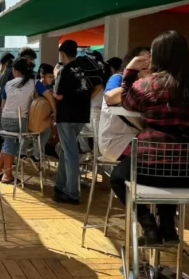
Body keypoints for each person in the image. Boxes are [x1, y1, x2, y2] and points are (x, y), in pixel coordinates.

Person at [110, 31, 189, 245]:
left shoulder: (147, 85)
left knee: (117, 178)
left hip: (150, 166)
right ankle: (168, 228)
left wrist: (130, 70)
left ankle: (149, 226)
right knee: (170, 167)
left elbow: (127, 102)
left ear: (157, 56)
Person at [53, 40, 102, 205]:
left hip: (66, 116)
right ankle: (60, 185)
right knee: (66, 150)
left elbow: (58, 95)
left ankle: (72, 192)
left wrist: (56, 75)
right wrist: (85, 100)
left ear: (63, 54)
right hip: (81, 115)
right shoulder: (85, 67)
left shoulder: (64, 70)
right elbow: (98, 86)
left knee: (71, 153)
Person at [98, 46, 150, 162]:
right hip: (116, 143)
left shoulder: (154, 85)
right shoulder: (117, 78)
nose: (146, 63)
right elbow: (109, 97)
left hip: (136, 139)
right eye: (141, 59)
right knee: (160, 150)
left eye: (150, 59)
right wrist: (140, 84)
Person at [0, 58, 36, 183]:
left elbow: (3, 105)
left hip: (5, 120)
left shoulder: (8, 84)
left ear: (15, 71)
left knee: (9, 142)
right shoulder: (33, 83)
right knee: (10, 143)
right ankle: (6, 175)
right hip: (20, 121)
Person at [34, 63, 57, 159]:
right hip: (38, 118)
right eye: (50, 77)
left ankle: (38, 154)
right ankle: (37, 155)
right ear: (42, 76)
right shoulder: (40, 86)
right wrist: (55, 112)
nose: (52, 79)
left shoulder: (42, 86)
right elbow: (50, 99)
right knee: (46, 132)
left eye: (53, 77)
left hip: (41, 117)